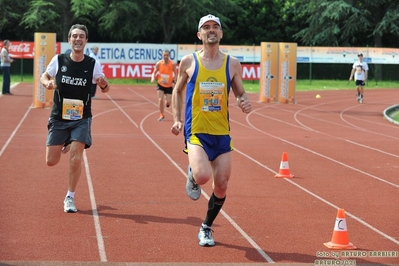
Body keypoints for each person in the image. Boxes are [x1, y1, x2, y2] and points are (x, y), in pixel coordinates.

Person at [170, 14, 252, 247]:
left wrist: (244, 101)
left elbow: (241, 93)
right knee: (203, 176)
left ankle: (206, 227)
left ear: (221, 33)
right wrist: (176, 119)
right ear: (199, 35)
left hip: (221, 133)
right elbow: (177, 91)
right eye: (206, 27)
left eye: (215, 27)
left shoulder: (232, 64)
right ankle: (194, 173)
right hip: (196, 130)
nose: (211, 30)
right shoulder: (188, 62)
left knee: (222, 184)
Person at [40, 24, 110, 213]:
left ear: (86, 40)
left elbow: (105, 87)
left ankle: (69, 197)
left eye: (81, 36)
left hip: (81, 117)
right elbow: (44, 76)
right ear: (69, 40)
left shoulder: (92, 63)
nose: (78, 39)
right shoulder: (59, 60)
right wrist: (47, 83)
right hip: (59, 117)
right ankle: (67, 141)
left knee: (75, 158)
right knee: (51, 161)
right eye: (74, 36)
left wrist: (104, 84)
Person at [151, 49, 177, 121]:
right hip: (160, 84)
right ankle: (162, 115)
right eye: (164, 55)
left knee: (168, 103)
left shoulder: (172, 64)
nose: (166, 56)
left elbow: (175, 73)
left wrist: (174, 81)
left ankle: (167, 101)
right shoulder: (159, 64)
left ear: (169, 56)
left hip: (169, 85)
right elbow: (154, 72)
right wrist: (153, 78)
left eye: (167, 55)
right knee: (160, 99)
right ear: (162, 55)